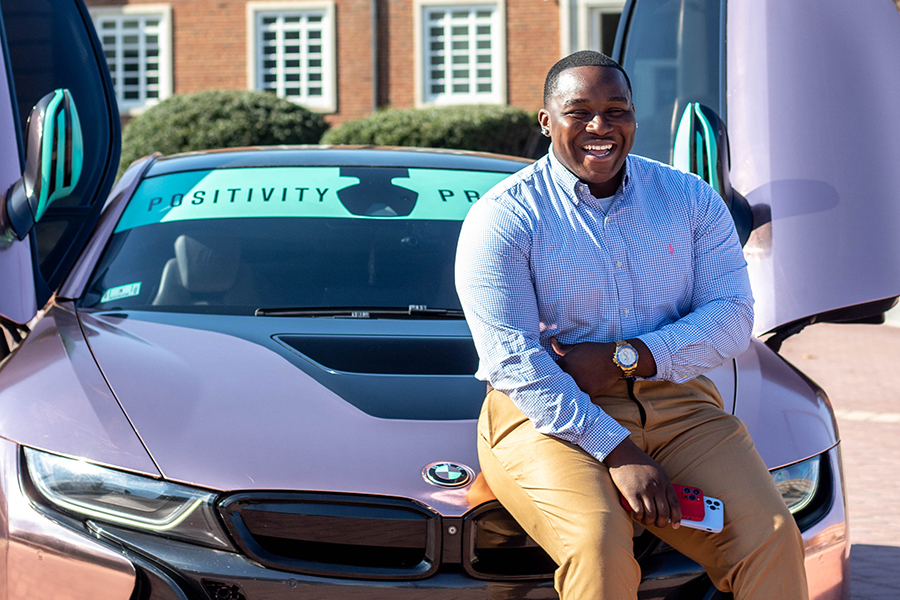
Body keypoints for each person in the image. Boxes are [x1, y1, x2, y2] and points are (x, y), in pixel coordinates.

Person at [454, 51, 808, 600]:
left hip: (680, 405)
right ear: (546, 121)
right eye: (580, 112)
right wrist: (619, 453)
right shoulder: (505, 216)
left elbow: (733, 316)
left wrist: (630, 355)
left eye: (616, 110)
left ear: (634, 118)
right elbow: (514, 361)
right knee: (597, 544)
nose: (600, 127)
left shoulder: (689, 199)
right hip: (549, 413)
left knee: (773, 535)